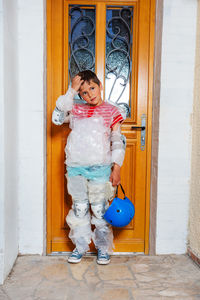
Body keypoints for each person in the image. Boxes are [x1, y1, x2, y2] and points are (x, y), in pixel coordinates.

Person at [52, 70, 126, 265]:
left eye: (92, 88)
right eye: (83, 92)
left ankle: (102, 249)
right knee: (79, 208)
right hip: (76, 168)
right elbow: (57, 118)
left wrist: (116, 168)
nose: (90, 94)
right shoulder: (76, 109)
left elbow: (118, 141)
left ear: (100, 86)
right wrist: (71, 91)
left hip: (100, 169)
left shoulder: (112, 111)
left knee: (100, 209)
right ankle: (80, 246)